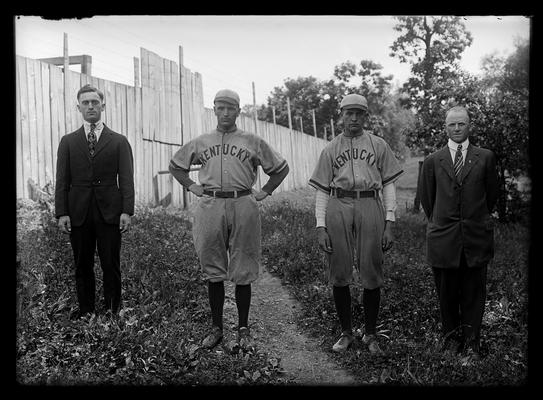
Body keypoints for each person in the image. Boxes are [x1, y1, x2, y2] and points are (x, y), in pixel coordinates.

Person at [169, 89, 289, 350]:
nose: (225, 113)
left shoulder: (252, 140)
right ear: (214, 110)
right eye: (220, 108)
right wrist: (191, 186)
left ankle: (243, 328)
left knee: (243, 265)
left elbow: (281, 168)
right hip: (210, 203)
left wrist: (265, 191)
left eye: (230, 108)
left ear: (238, 111)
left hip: (243, 201)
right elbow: (176, 166)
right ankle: (216, 328)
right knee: (212, 264)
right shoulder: (202, 141)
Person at [309, 94, 403, 354]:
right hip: (339, 204)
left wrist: (389, 222)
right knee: (339, 270)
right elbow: (322, 190)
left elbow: (388, 185)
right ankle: (346, 332)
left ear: (366, 116)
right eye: (349, 113)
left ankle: (371, 334)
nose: (353, 118)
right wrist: (320, 226)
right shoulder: (330, 148)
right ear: (341, 114)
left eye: (359, 113)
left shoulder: (378, 144)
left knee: (371, 269)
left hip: (370, 203)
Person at [418, 105, 498, 361]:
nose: (456, 128)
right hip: (444, 239)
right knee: (447, 293)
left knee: (474, 292)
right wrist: (445, 221)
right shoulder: (433, 161)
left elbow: (492, 196)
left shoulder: (485, 157)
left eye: (461, 124)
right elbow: (428, 200)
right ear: (445, 127)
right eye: (451, 124)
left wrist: (473, 218)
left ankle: (472, 342)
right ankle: (451, 340)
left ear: (469, 125)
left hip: (476, 237)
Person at [55, 84, 135, 319]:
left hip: (109, 211)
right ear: (78, 106)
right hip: (78, 211)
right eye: (85, 102)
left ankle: (112, 310)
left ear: (103, 105)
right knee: (82, 265)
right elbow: (62, 180)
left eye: (95, 102)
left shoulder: (118, 141)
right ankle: (87, 310)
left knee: (110, 263)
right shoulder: (68, 141)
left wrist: (126, 211)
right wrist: (62, 213)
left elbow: (127, 179)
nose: (90, 106)